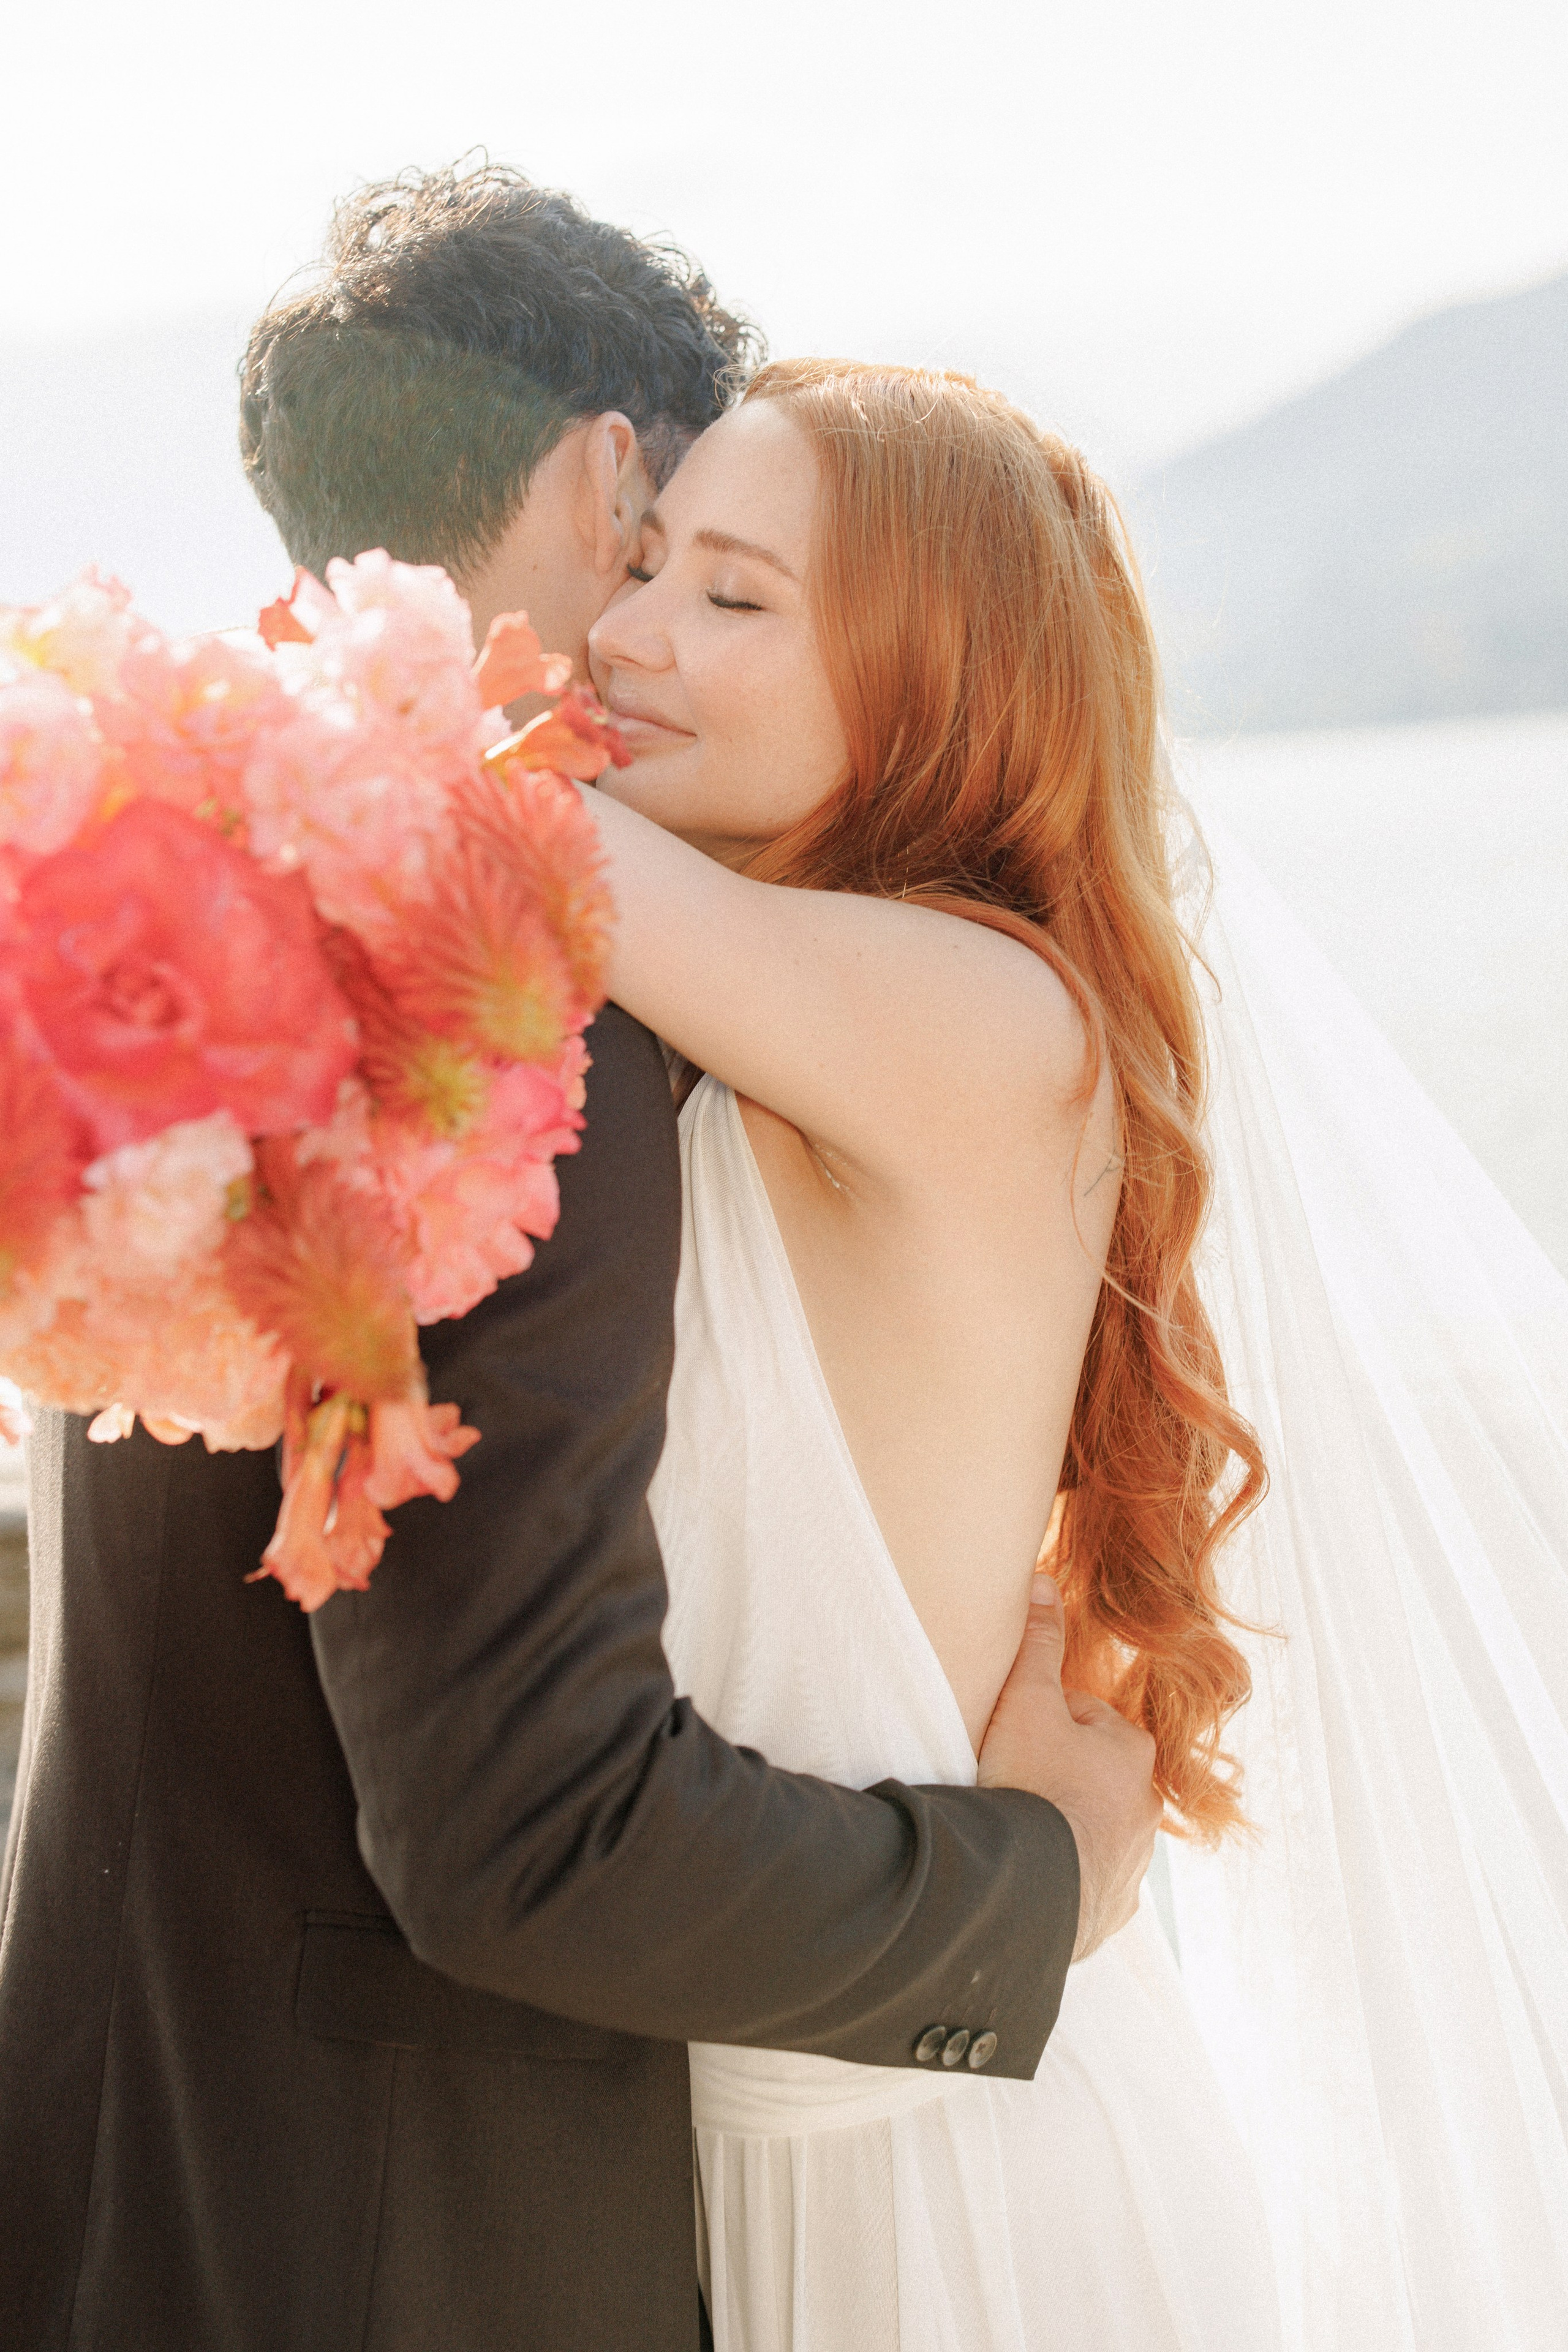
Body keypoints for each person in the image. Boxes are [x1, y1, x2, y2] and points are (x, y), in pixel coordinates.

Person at [0, 172, 1163, 2352]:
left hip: (123, 2154)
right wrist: (1046, 1884)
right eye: (682, 555)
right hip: (420, 2247)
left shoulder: (171, 907)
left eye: (748, 595)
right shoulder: (501, 985)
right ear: (613, 469)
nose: (649, 631)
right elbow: (529, 1821)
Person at [573, 360, 1286, 2346]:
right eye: (638, 567)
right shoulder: (748, 1010)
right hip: (754, 2117)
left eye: (731, 596)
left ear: (935, 682)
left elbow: (495, 827)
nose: (620, 635)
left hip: (942, 2192)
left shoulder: (982, 1018)